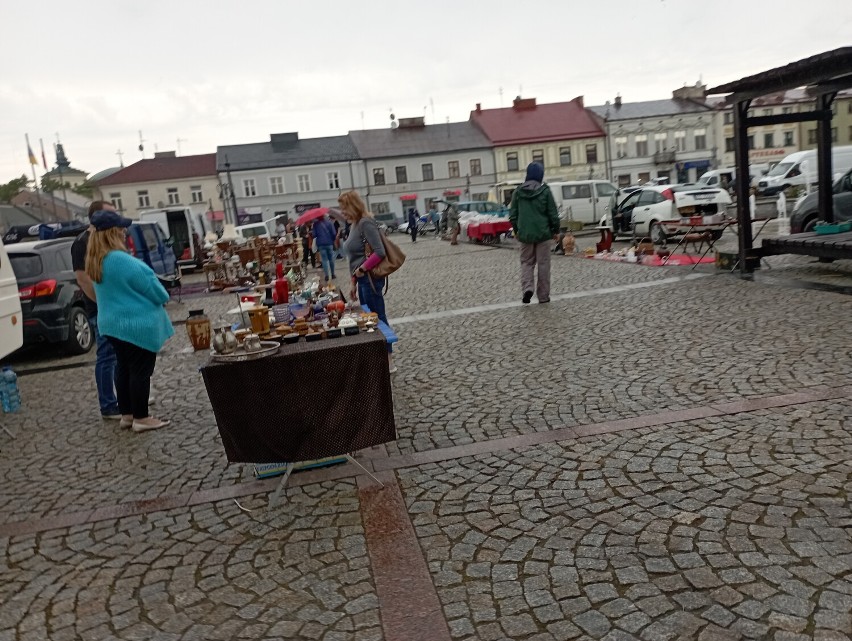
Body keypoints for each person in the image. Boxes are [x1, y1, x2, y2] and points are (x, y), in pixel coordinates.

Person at [85, 210, 174, 432]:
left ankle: (127, 414)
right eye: (122, 228)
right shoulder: (121, 260)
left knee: (123, 368)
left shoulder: (96, 260)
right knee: (140, 371)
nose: (125, 232)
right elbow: (157, 291)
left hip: (112, 325)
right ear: (113, 232)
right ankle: (142, 418)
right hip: (135, 325)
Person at [72, 200, 120, 420]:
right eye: (111, 213)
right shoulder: (82, 242)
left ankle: (126, 396)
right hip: (99, 308)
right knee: (107, 355)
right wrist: (102, 305)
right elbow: (83, 279)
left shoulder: (108, 237)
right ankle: (108, 405)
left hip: (117, 305)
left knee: (121, 354)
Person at [338, 191, 396, 373]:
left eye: (344, 208)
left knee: (377, 318)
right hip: (362, 281)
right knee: (368, 320)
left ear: (353, 206)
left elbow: (379, 252)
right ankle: (378, 358)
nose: (342, 213)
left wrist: (362, 269)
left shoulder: (365, 223)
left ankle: (388, 359)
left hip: (370, 280)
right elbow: (354, 258)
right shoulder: (355, 225)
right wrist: (353, 282)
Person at [509, 162, 559, 304]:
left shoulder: (518, 192)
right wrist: (555, 230)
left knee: (526, 263)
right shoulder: (545, 191)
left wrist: (517, 230)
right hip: (543, 234)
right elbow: (552, 214)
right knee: (543, 264)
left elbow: (513, 215)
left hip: (525, 234)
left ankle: (527, 289)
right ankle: (543, 296)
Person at [312, 214, 338, 281]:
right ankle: (333, 274)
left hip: (321, 244)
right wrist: (332, 239)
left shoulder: (315, 224)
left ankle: (326, 275)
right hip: (329, 243)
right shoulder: (329, 223)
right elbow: (334, 233)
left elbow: (314, 235)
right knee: (331, 259)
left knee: (324, 260)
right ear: (323, 216)